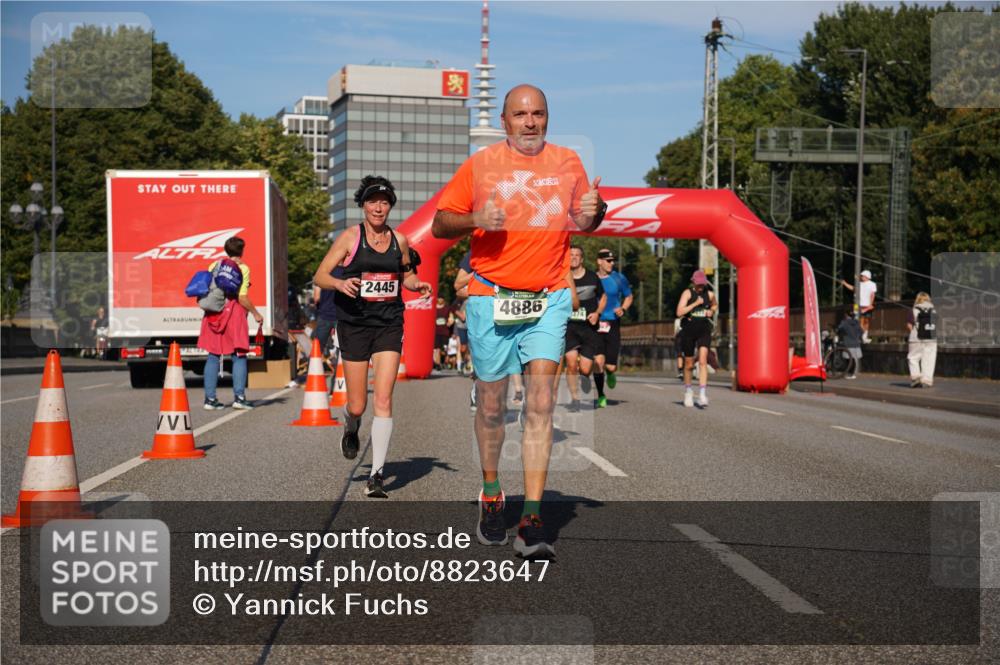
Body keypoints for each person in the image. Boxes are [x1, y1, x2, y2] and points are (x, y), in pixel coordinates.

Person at [432, 83, 607, 558]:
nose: (530, 122)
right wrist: (474, 218)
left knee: (541, 403)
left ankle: (531, 517)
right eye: (521, 114)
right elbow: (439, 223)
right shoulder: (481, 164)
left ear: (547, 118)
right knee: (492, 407)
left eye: (538, 113)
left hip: (548, 298)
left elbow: (584, 221)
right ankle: (492, 492)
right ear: (505, 121)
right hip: (491, 298)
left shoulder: (568, 161)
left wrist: (596, 212)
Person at [312, 176, 432, 498]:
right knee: (358, 403)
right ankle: (351, 424)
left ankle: (376, 476)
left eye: (384, 202)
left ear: (390, 206)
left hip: (388, 324)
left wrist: (417, 284)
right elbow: (320, 275)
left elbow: (406, 275)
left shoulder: (400, 240)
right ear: (363, 205)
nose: (378, 207)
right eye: (372, 202)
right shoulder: (350, 237)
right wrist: (339, 284)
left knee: (383, 399)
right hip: (354, 324)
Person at [197, 236, 263, 410]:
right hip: (234, 313)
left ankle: (210, 400)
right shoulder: (243, 268)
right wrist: (256, 313)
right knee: (239, 355)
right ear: (242, 251)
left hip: (214, 314)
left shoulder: (214, 265)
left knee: (213, 355)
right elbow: (242, 297)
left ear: (226, 250)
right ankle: (239, 398)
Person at [563, 245, 606, 412]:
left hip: (589, 328)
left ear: (582, 259)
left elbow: (603, 297)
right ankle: (575, 399)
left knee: (586, 369)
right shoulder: (562, 277)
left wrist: (597, 313)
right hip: (570, 327)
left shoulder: (592, 277)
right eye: (570, 255)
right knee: (571, 364)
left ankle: (585, 377)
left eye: (577, 255)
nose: (573, 257)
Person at [593, 249, 632, 408]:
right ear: (599, 261)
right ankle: (601, 394)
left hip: (612, 323)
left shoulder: (619, 278)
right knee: (598, 362)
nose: (612, 263)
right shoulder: (592, 278)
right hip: (595, 322)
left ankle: (610, 372)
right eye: (608, 261)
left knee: (610, 365)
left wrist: (623, 308)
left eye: (613, 260)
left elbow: (629, 296)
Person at [676, 270, 717, 407]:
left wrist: (712, 311)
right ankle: (688, 391)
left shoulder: (710, 294)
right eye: (698, 284)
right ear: (693, 282)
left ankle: (702, 394)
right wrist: (694, 304)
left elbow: (714, 304)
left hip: (704, 330)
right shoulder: (687, 293)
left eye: (702, 284)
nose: (700, 287)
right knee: (688, 364)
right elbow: (679, 312)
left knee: (703, 361)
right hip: (688, 331)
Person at [906, 292, 937, 388]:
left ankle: (915, 377)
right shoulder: (934, 310)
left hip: (916, 338)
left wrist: (913, 332)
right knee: (929, 359)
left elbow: (909, 325)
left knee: (913, 358)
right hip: (931, 339)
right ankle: (927, 381)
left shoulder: (913, 310)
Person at [842, 270, 877, 343]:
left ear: (867, 277)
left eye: (863, 276)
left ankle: (864, 337)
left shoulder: (872, 284)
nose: (861, 277)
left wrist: (870, 304)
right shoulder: (859, 284)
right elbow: (853, 288)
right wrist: (845, 284)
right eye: (861, 276)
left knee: (866, 321)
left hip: (867, 305)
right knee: (858, 320)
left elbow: (872, 294)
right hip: (857, 305)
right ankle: (859, 336)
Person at [836, 308, 863, 379]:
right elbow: (861, 331)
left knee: (848, 359)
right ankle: (854, 374)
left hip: (848, 343)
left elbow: (838, 329)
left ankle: (850, 374)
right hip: (856, 344)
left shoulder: (844, 322)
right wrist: (857, 337)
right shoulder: (857, 322)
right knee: (855, 359)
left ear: (846, 315)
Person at [433, 296, 452, 370]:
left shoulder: (447, 308)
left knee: (444, 349)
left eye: (441, 298)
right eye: (439, 298)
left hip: (445, 332)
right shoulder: (433, 308)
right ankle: (437, 364)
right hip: (436, 331)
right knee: (437, 349)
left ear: (443, 300)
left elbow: (451, 317)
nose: (440, 299)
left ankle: (444, 361)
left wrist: (450, 322)